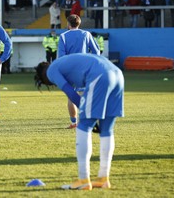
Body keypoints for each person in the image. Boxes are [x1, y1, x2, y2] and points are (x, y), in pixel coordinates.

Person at [36, 53, 124, 190]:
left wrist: (86, 116)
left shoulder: (52, 70)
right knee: (107, 130)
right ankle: (103, 178)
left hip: (100, 75)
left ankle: (83, 179)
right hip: (118, 74)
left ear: (44, 77)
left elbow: (71, 93)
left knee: (84, 125)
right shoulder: (64, 63)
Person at [58, 14, 100, 129]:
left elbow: (61, 57)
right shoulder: (86, 34)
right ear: (79, 23)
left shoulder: (63, 36)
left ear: (68, 24)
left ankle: (73, 122)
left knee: (71, 97)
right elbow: (96, 52)